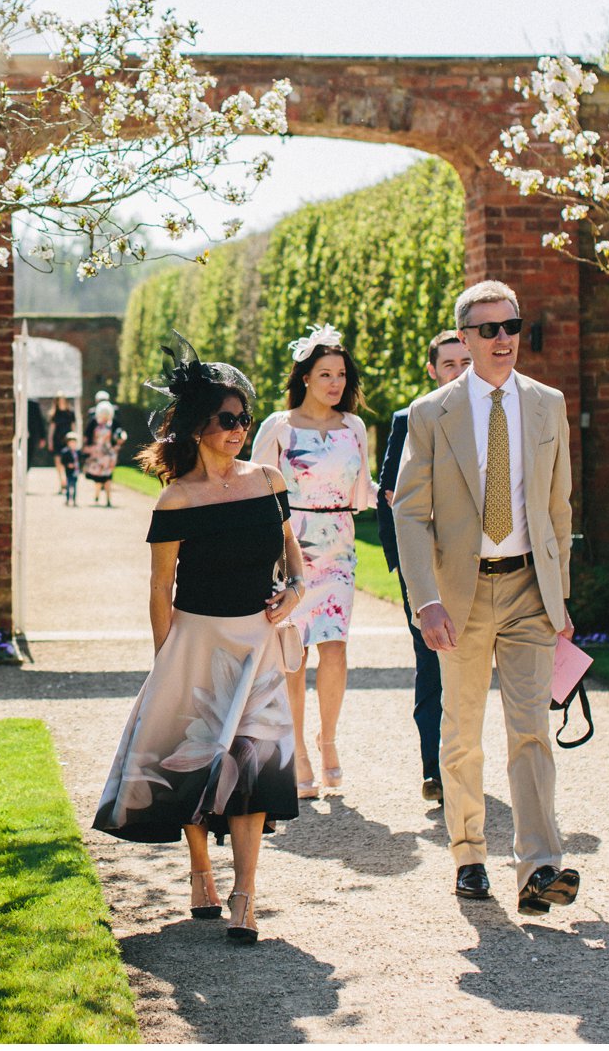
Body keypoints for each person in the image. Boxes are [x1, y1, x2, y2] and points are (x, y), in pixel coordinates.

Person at [94, 336, 305, 944]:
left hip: (258, 644)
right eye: (227, 420)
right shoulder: (176, 499)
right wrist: (164, 660)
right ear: (197, 426)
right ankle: (200, 871)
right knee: (194, 762)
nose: (239, 428)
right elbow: (160, 588)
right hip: (194, 644)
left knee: (255, 765)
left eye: (244, 417)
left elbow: (294, 559)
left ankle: (245, 896)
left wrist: (291, 594)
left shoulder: (268, 480)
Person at [393, 280, 581, 915]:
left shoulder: (547, 404)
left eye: (513, 327)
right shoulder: (431, 413)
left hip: (530, 588)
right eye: (490, 329)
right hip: (460, 593)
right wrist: (426, 600)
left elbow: (558, 508)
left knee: (531, 731)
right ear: (465, 339)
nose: (504, 339)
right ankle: (469, 853)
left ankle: (540, 864)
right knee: (463, 730)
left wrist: (560, 599)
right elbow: (410, 515)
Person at [251, 324, 379, 799]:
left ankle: (329, 742)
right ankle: (298, 750)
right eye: (324, 374)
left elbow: (361, 493)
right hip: (291, 547)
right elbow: (257, 493)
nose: (335, 383)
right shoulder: (278, 427)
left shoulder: (354, 428)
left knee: (336, 647)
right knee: (294, 653)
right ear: (304, 376)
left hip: (340, 548)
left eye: (341, 375)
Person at [378, 329, 473, 805]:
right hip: (426, 567)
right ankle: (434, 768)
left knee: (471, 668)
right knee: (431, 668)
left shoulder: (493, 419)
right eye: (449, 364)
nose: (458, 371)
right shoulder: (409, 418)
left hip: (480, 566)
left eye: (465, 362)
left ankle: (461, 762)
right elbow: (393, 496)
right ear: (433, 370)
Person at [83, 399, 127, 506]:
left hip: (108, 453)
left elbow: (121, 435)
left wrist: (117, 446)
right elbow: (86, 436)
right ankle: (97, 495)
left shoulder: (113, 423)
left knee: (108, 475)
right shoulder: (93, 422)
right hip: (97, 453)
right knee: (98, 476)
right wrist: (87, 448)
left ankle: (108, 499)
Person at [56, 431, 83, 506]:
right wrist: (68, 465)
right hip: (69, 472)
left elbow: (81, 459)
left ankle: (74, 500)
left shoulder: (78, 452)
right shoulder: (65, 452)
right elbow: (63, 461)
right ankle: (68, 500)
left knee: (74, 487)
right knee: (68, 487)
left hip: (76, 472)